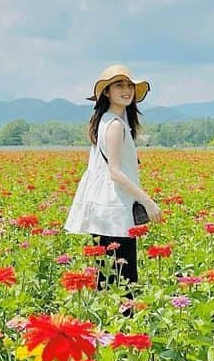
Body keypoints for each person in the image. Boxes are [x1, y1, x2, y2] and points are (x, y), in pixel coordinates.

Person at [65, 65, 161, 289]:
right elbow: (115, 172)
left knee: (106, 280)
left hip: (104, 210)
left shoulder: (106, 120)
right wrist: (148, 201)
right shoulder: (115, 125)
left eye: (129, 85)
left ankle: (109, 323)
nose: (126, 90)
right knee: (124, 282)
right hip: (114, 211)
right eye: (119, 85)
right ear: (106, 92)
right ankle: (120, 324)